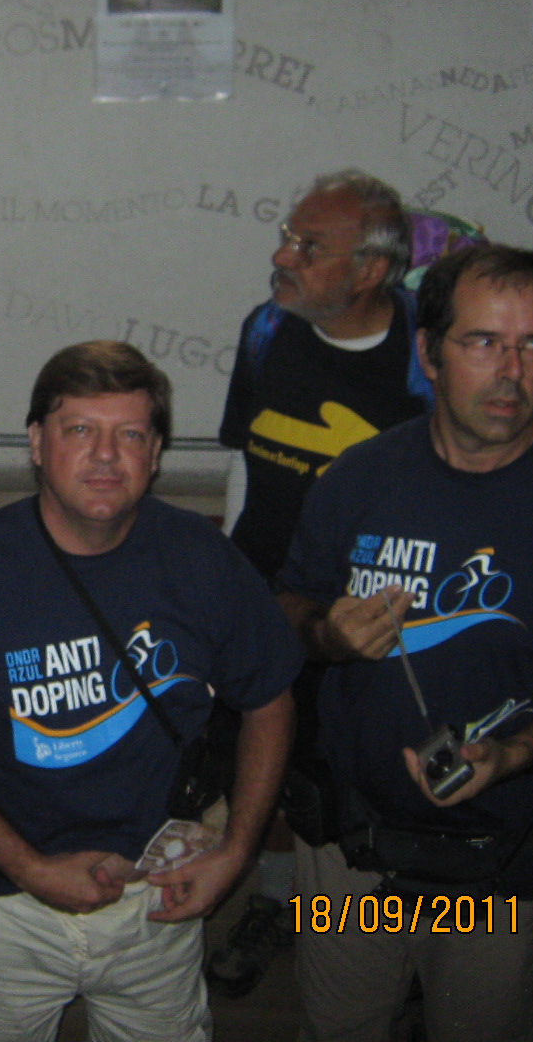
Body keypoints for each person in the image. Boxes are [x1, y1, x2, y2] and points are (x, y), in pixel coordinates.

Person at [279, 245, 533, 1042]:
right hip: (349, 857)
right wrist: (326, 633)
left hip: (500, 865)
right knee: (339, 1025)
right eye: (483, 342)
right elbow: (288, 602)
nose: (512, 372)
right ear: (428, 353)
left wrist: (517, 753)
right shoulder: (359, 479)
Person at [0, 341, 301, 1042]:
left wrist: (238, 851)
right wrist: (29, 867)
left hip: (160, 899)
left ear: (157, 453)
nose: (106, 456)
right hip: (11, 910)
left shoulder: (200, 558)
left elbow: (270, 698)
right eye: (80, 430)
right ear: (36, 443)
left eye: (131, 435)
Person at [210, 170, 432, 996]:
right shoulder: (267, 329)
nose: (283, 257)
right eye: (287, 237)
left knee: (371, 781)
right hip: (270, 602)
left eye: (310, 247)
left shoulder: (428, 353)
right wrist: (231, 577)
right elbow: (247, 461)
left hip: (375, 619)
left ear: (371, 271)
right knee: (267, 768)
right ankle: (277, 904)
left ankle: (408, 947)